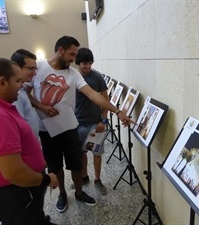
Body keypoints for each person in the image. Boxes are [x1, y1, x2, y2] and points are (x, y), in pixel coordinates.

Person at [25, 35, 132, 213]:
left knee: (76, 163)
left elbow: (93, 94)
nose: (74, 59)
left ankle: (80, 192)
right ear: (60, 50)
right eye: (72, 54)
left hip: (69, 127)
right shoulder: (40, 67)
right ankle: (62, 193)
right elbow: (24, 93)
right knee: (55, 165)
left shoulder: (73, 74)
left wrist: (117, 111)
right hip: (47, 130)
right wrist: (41, 106)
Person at [0, 58, 59, 225]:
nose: (22, 85)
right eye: (17, 81)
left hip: (6, 191)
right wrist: (45, 179)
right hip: (14, 193)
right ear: (2, 82)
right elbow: (14, 173)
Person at [75, 47, 108, 195]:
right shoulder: (74, 77)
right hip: (78, 123)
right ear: (78, 63)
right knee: (81, 154)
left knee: (96, 153)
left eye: (89, 63)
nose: (87, 67)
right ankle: (84, 177)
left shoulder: (97, 77)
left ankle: (98, 179)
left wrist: (103, 120)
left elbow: (105, 99)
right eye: (84, 63)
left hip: (96, 123)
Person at [10, 49, 42, 138]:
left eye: (35, 69)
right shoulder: (15, 94)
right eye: (31, 68)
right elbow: (18, 127)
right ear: (17, 68)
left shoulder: (22, 89)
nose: (35, 73)